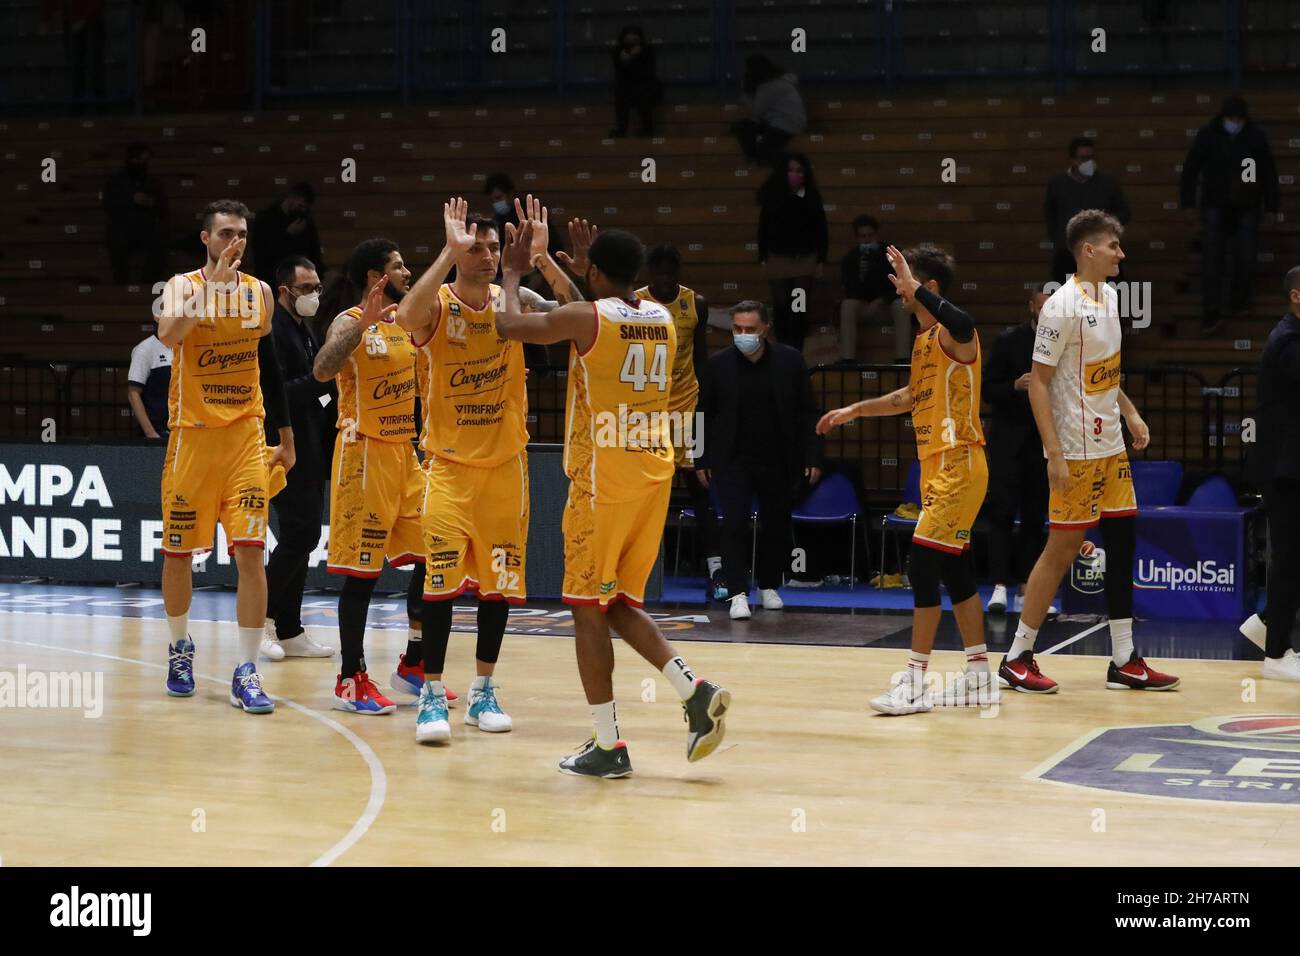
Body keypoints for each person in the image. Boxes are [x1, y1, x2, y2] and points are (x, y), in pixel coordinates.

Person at [492, 212, 731, 778]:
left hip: (603, 482)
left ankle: (609, 745)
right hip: (652, 475)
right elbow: (592, 318)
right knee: (621, 602)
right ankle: (693, 691)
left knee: (585, 611)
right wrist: (562, 269)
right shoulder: (661, 317)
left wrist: (512, 272)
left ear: (595, 271)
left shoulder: (587, 317)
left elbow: (509, 326)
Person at [395, 197, 574, 744]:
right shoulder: (440, 302)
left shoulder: (512, 302)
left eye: (494, 247)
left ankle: (483, 691)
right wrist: (446, 255)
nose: (488, 256)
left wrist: (541, 259)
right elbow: (404, 318)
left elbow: (581, 309)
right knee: (440, 586)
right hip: (448, 469)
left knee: (498, 589)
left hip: (505, 469)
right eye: (476, 247)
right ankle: (431, 696)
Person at [1002, 210, 1180, 694]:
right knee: (1061, 548)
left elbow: (1106, 371)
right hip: (1075, 448)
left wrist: (1131, 412)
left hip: (1111, 444)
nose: (1121, 253)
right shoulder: (1060, 306)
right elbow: (1038, 382)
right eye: (1113, 246)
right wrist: (1053, 453)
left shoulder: (1112, 295)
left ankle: (1124, 658)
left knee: (1122, 541)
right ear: (1088, 251)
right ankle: (1018, 655)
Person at [819, 244, 995, 715]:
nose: (898, 289)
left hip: (960, 463)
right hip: (937, 469)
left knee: (921, 568)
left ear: (928, 288)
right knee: (956, 570)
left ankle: (915, 680)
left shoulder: (955, 335)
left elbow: (963, 321)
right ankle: (979, 676)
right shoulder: (921, 343)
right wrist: (856, 409)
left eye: (905, 281)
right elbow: (908, 396)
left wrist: (915, 283)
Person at [154, 199, 295, 714]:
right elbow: (168, 335)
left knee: (252, 554)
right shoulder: (181, 286)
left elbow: (267, 365)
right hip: (191, 438)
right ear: (206, 239)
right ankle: (179, 647)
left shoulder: (259, 294)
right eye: (226, 233)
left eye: (242, 233)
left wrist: (285, 432)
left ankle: (246, 668)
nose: (235, 241)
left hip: (244, 440)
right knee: (177, 555)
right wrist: (211, 289)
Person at [311, 238, 439, 713]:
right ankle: (350, 677)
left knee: (435, 554)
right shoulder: (349, 321)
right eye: (400, 265)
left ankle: (415, 662)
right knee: (362, 575)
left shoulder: (408, 324)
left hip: (404, 454)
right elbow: (322, 370)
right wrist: (362, 324)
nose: (409, 272)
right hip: (362, 455)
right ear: (376, 278)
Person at [697, 301, 824, 620]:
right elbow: (703, 416)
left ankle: (769, 585)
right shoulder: (718, 364)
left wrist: (813, 456)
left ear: (765, 329)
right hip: (732, 459)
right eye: (737, 329)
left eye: (749, 330)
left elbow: (809, 413)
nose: (743, 335)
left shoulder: (790, 361)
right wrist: (700, 458)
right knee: (734, 526)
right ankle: (738, 592)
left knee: (777, 526)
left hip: (778, 457)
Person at [257, 255, 336, 662]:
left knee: (304, 537)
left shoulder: (306, 329)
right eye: (307, 289)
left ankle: (290, 629)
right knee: (295, 535)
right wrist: (320, 381)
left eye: (318, 288)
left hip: (311, 444)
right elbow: (278, 394)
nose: (314, 296)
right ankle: (262, 623)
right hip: (282, 446)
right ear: (285, 292)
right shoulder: (273, 332)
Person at [634, 244, 724, 600]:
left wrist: (706, 408)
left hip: (688, 405)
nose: (666, 281)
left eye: (672, 274)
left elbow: (701, 356)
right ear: (651, 274)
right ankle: (640, 568)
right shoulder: (635, 302)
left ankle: (716, 568)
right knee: (646, 492)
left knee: (700, 488)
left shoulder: (694, 303)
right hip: (647, 410)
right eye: (660, 274)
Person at [982, 284, 1055, 618]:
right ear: (1032, 306)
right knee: (1000, 513)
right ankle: (998, 586)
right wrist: (1015, 385)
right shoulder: (1008, 341)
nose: (1048, 312)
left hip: (1043, 444)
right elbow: (987, 389)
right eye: (1043, 306)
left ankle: (1029, 590)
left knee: (1034, 518)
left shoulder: (1064, 343)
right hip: (1007, 444)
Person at [1181, 95, 1280, 333]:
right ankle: (1212, 310)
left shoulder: (1255, 136)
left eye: (1239, 118)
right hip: (1215, 204)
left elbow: (1268, 172)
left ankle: (1239, 300)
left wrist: (1272, 206)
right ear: (1223, 117)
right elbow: (1191, 169)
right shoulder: (1208, 135)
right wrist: (1188, 203)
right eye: (1231, 118)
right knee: (1212, 259)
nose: (1235, 122)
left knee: (1246, 256)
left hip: (1247, 204)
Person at [1244, 264, 1300, 681]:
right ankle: (1277, 654)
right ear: (1296, 297)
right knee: (1288, 561)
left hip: (1291, 466)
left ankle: (1265, 624)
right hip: (1284, 471)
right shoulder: (1288, 342)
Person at [757, 152, 828, 354]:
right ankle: (782, 348)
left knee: (799, 307)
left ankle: (796, 348)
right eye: (790, 170)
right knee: (781, 306)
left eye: (799, 170)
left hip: (803, 261)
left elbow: (821, 230)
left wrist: (821, 259)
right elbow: (763, 228)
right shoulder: (773, 197)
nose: (794, 174)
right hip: (778, 259)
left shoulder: (811, 197)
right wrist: (763, 257)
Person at [1044, 137, 1129, 283]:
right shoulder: (1058, 184)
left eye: (1091, 157)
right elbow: (1050, 216)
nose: (1088, 162)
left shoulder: (1108, 184)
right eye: (1083, 158)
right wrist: (1060, 241)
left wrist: (1104, 226)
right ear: (1072, 160)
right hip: (1069, 254)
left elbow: (1124, 213)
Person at [838, 215, 907, 364]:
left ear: (876, 235)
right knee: (848, 306)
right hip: (864, 307)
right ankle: (848, 358)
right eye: (863, 236)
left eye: (870, 235)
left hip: (887, 305)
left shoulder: (892, 255)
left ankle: (903, 358)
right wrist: (862, 274)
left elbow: (902, 283)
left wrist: (882, 300)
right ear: (857, 238)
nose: (867, 239)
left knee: (900, 304)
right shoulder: (851, 258)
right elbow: (849, 290)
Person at [102, 142, 170, 285]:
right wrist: (130, 199)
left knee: (160, 244)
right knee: (116, 244)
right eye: (137, 159)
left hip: (146, 229)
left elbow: (163, 205)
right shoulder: (116, 182)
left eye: (144, 160)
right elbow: (107, 204)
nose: (140, 163)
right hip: (122, 229)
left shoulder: (152, 181)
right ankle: (122, 286)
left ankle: (146, 284)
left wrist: (151, 202)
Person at [731, 54, 806, 165]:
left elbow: (756, 113)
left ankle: (795, 161)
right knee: (742, 127)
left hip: (785, 124)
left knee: (764, 154)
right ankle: (754, 157)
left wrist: (745, 93)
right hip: (785, 122)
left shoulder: (770, 86)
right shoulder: (779, 81)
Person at [251, 183, 325, 286]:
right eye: (300, 206)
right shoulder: (265, 218)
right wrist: (288, 234)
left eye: (305, 208)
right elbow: (262, 251)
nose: (302, 210)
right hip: (272, 279)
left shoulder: (305, 220)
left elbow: (314, 252)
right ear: (292, 197)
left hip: (300, 281)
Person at [609, 25, 661, 138]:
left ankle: (648, 129)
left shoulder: (647, 50)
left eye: (634, 39)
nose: (631, 42)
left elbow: (647, 73)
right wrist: (626, 60)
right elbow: (620, 74)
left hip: (645, 87)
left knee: (643, 92)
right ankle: (621, 129)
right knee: (621, 94)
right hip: (626, 88)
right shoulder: (618, 51)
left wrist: (634, 57)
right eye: (628, 39)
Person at [127, 331, 171, 439]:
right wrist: (150, 433)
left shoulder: (188, 345)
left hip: (185, 431)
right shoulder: (144, 349)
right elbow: (133, 393)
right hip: (159, 432)